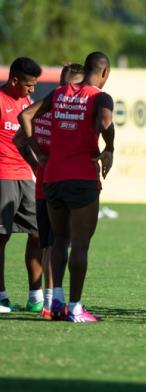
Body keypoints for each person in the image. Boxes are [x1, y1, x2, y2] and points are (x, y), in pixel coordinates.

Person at [18, 52, 115, 323]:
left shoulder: (61, 93)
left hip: (52, 178)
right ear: (104, 73)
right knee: (80, 245)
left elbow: (26, 116)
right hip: (82, 179)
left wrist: (38, 151)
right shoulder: (100, 97)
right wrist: (110, 148)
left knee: (59, 240)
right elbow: (106, 122)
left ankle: (56, 302)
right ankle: (75, 308)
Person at [14, 63, 85, 319]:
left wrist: (37, 163)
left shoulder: (43, 109)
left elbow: (19, 140)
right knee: (58, 244)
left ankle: (46, 301)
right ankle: (52, 301)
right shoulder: (69, 112)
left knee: (48, 245)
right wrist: (40, 162)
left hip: (45, 185)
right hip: (60, 185)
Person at [0, 57, 43, 313]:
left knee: (38, 233)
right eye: (29, 85)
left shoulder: (26, 103)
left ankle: (35, 296)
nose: (32, 90)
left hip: (26, 176)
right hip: (2, 176)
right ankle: (1, 296)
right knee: (1, 237)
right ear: (14, 80)